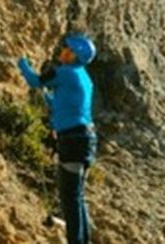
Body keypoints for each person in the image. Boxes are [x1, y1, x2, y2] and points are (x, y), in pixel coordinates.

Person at [17, 33, 97, 244]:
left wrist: (21, 62)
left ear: (74, 55)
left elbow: (34, 80)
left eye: (67, 49)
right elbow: (64, 105)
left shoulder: (65, 73)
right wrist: (46, 97)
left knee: (69, 198)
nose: (62, 51)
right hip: (85, 139)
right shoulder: (83, 77)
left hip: (73, 140)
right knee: (77, 196)